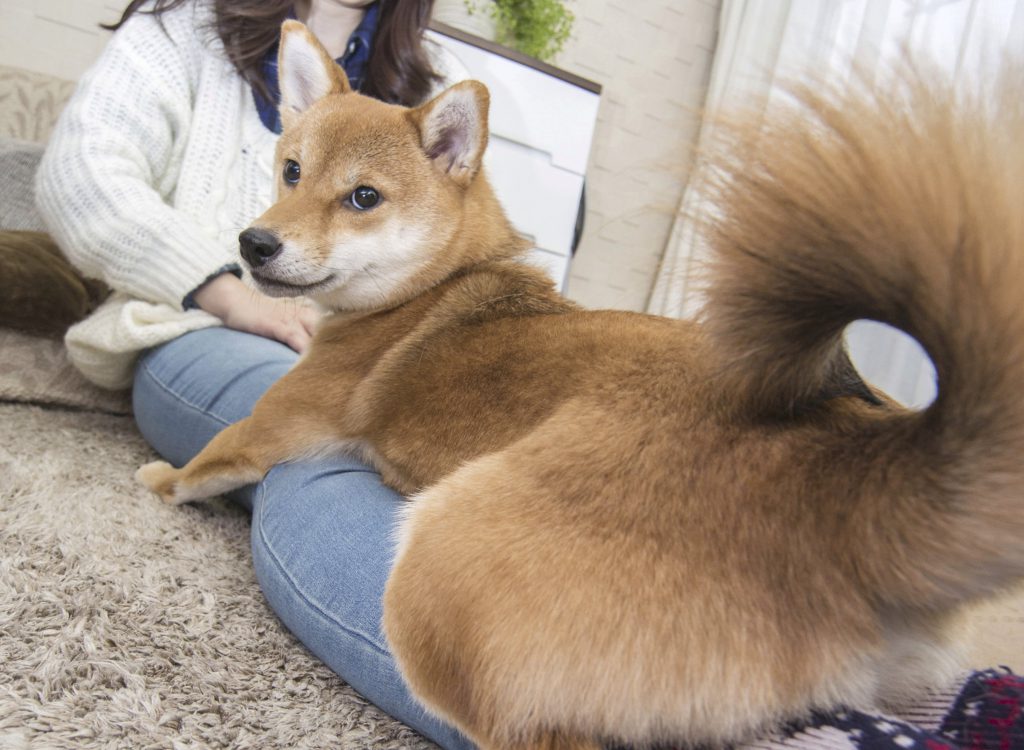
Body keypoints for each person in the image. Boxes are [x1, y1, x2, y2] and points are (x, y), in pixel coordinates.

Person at [35, 1, 475, 747]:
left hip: (383, 348)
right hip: (199, 330)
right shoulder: (181, 35)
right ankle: (528, 697)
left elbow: (453, 237)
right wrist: (231, 294)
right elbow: (80, 178)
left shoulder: (441, 79)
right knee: (315, 459)